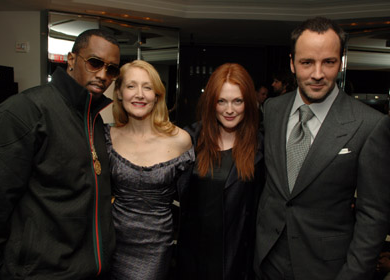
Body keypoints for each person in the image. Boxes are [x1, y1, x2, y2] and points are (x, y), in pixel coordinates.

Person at [254, 17, 390, 280]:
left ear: (340, 62)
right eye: (307, 62)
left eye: (328, 61)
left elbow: (373, 215)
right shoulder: (273, 109)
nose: (317, 74)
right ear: (292, 63)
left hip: (325, 268)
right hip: (266, 260)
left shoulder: (370, 125)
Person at [0, 29, 121, 279]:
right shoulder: (26, 111)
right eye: (95, 63)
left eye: (112, 69)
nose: (103, 75)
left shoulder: (93, 119)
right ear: (71, 60)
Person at [105, 60, 194, 280]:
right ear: (118, 93)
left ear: (157, 95)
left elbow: (193, 199)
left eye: (147, 87)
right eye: (131, 86)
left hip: (155, 245)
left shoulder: (180, 140)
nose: (139, 94)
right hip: (110, 241)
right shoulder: (106, 136)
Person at [177, 63, 264, 280]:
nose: (229, 110)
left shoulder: (261, 147)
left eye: (238, 101)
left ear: (249, 103)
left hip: (237, 258)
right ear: (211, 102)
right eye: (221, 101)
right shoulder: (190, 139)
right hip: (192, 256)